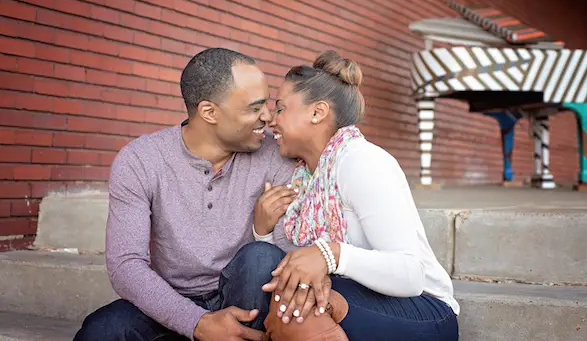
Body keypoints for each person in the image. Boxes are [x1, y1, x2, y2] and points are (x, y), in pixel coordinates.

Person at [73, 48, 299, 341]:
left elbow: (291, 254)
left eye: (267, 104)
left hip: (246, 303)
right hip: (171, 304)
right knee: (102, 331)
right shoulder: (141, 160)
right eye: (254, 108)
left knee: (260, 258)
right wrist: (197, 323)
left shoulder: (276, 154)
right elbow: (125, 265)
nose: (268, 117)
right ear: (209, 112)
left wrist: (262, 231)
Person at [253, 51, 460, 340]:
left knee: (295, 311)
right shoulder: (304, 177)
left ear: (317, 112)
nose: (271, 120)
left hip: (422, 310)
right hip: (355, 297)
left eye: (281, 108)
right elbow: (296, 267)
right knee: (292, 299)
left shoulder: (361, 161)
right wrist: (262, 232)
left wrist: (332, 254)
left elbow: (410, 275)